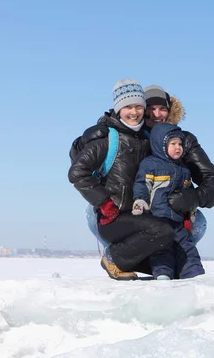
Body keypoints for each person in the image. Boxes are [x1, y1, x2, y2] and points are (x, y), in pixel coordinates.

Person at [68, 79, 175, 280]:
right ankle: (114, 258)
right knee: (163, 231)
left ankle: (139, 263)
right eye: (127, 107)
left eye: (138, 107)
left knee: (176, 265)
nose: (133, 112)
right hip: (114, 218)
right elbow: (77, 172)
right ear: (118, 109)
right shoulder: (108, 138)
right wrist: (105, 203)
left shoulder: (146, 138)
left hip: (141, 216)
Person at [142, 85, 214, 245]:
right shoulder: (127, 138)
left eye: (162, 108)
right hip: (136, 209)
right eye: (150, 108)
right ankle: (118, 258)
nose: (156, 114)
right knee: (96, 213)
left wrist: (193, 197)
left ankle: (177, 260)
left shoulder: (184, 141)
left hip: (170, 211)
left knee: (198, 223)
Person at [132, 123, 205, 280]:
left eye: (180, 144)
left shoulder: (184, 170)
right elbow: (142, 184)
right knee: (162, 248)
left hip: (177, 220)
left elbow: (188, 193)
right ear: (161, 144)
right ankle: (163, 274)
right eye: (173, 144)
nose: (178, 147)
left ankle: (194, 275)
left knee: (187, 247)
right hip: (157, 218)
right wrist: (140, 200)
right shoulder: (150, 164)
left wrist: (191, 210)